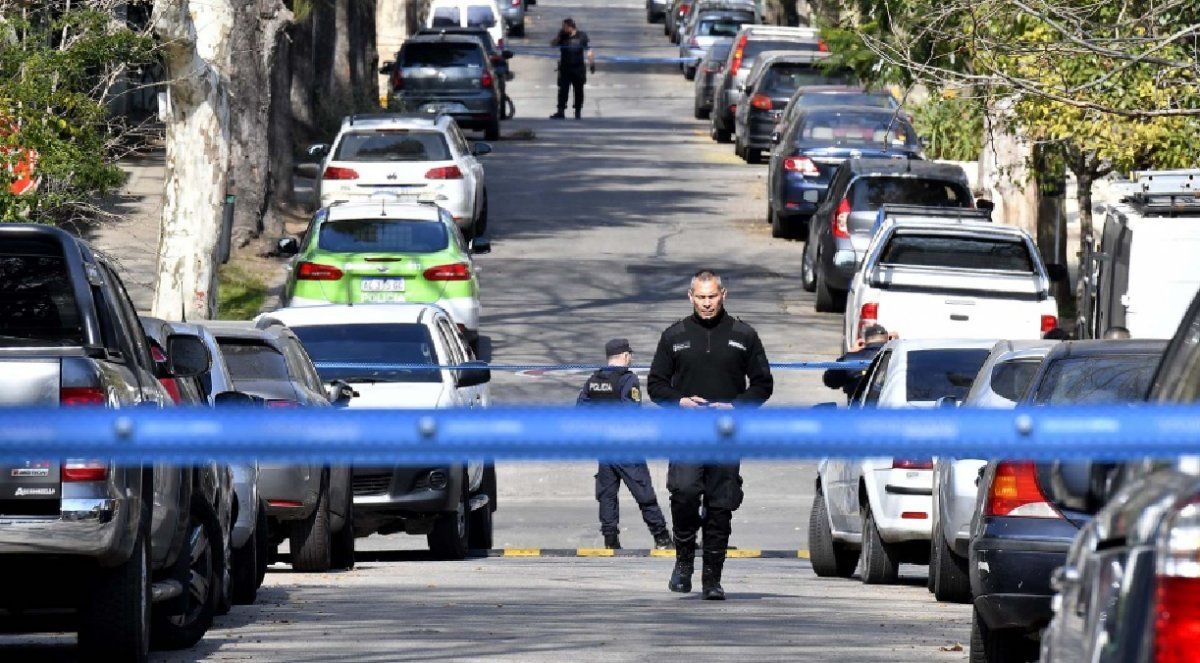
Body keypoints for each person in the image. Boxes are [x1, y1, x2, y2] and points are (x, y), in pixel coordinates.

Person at [648, 270, 774, 600]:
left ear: (723, 295)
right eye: (701, 297)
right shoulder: (674, 335)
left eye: (712, 297)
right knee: (685, 493)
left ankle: (712, 577)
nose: (707, 303)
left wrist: (736, 406)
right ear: (691, 297)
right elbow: (655, 385)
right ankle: (684, 563)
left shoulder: (743, 334)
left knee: (720, 506)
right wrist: (680, 402)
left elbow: (763, 384)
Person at [577, 338, 673, 551]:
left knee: (607, 495)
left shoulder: (593, 379)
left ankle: (610, 540)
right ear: (625, 355)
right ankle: (662, 538)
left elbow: (581, 410)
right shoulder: (628, 379)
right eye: (630, 354)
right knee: (643, 492)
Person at [823, 324, 890, 399]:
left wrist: (850, 353)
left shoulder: (850, 360)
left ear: (863, 341)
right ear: (887, 340)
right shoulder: (897, 358)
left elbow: (830, 380)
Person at [549, 18, 595, 119]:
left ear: (571, 27)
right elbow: (552, 44)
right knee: (563, 90)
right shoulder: (562, 36)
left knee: (579, 90)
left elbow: (589, 50)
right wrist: (558, 36)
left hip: (578, 68)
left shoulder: (582, 36)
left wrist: (592, 63)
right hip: (565, 68)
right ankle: (560, 111)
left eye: (565, 27)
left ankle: (577, 111)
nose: (563, 29)